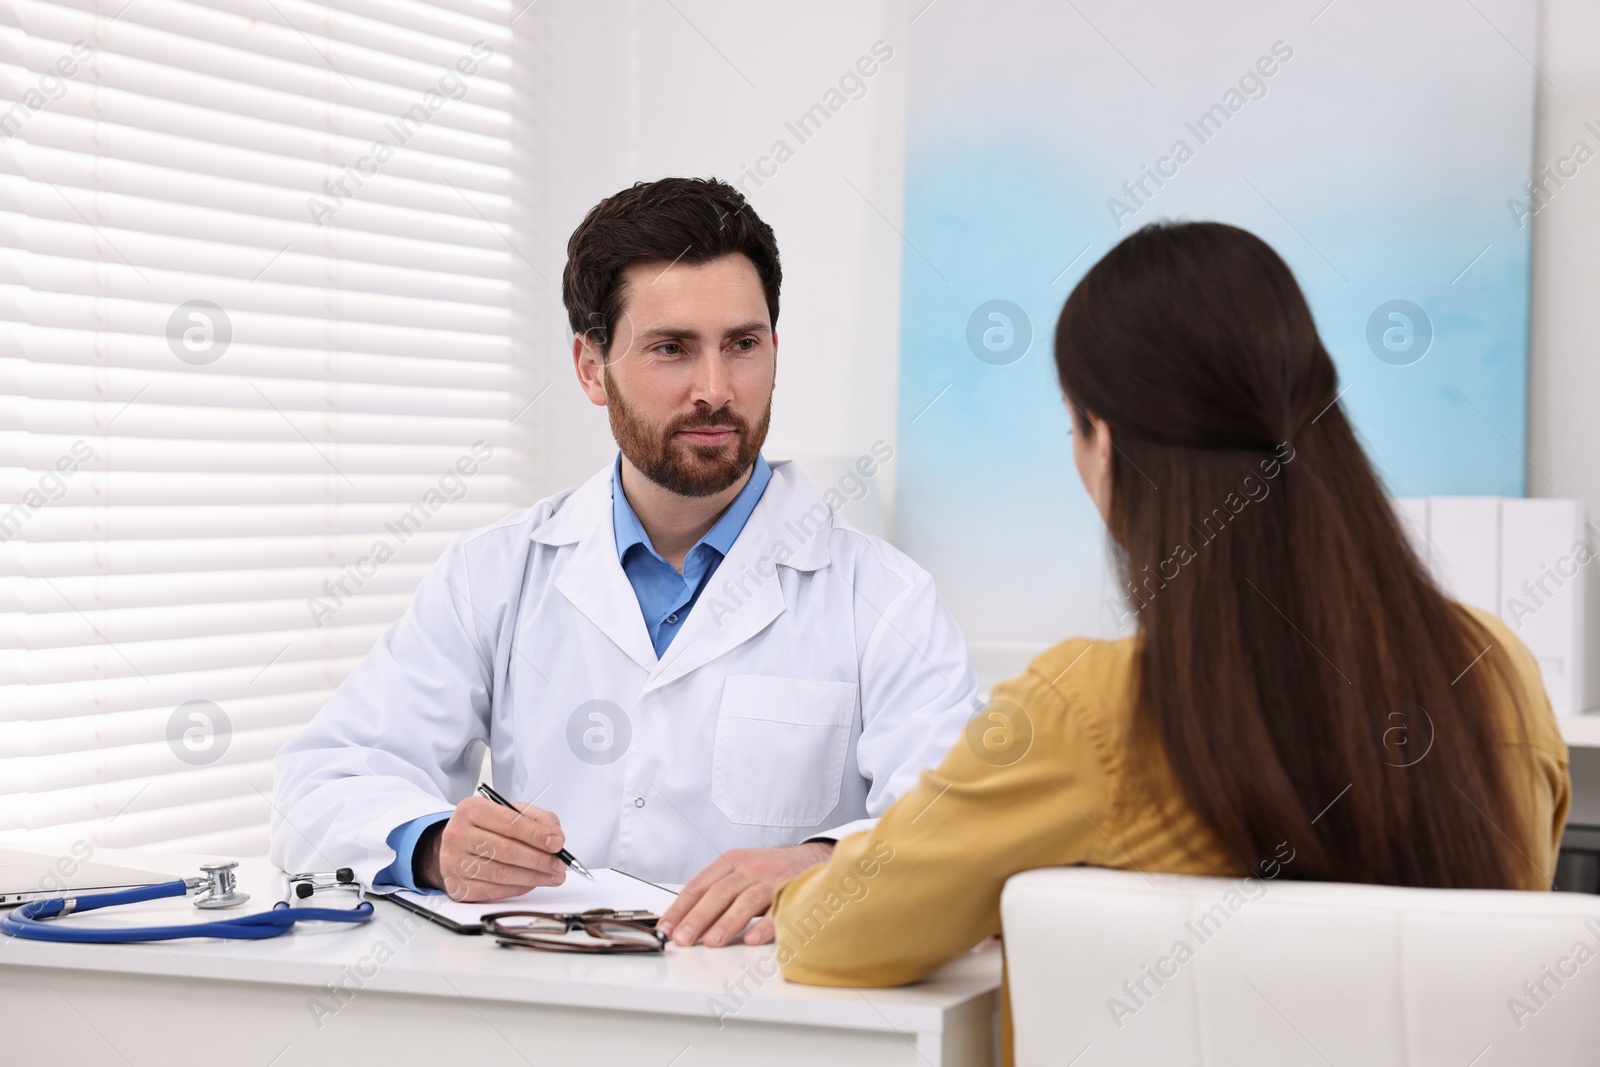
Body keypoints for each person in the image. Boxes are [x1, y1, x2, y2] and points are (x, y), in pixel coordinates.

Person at [771, 221, 1570, 1058]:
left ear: (1103, 440)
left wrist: (835, 880)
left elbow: (832, 938)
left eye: (1073, 429)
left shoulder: (1089, 709)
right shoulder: (1499, 670)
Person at [270, 178, 980, 949]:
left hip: (773, 1027)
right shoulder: (496, 574)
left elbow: (958, 828)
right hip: (548, 1012)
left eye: (742, 344)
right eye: (672, 348)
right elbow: (318, 786)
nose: (716, 389)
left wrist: (818, 860)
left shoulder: (884, 598)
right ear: (589, 366)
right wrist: (436, 846)